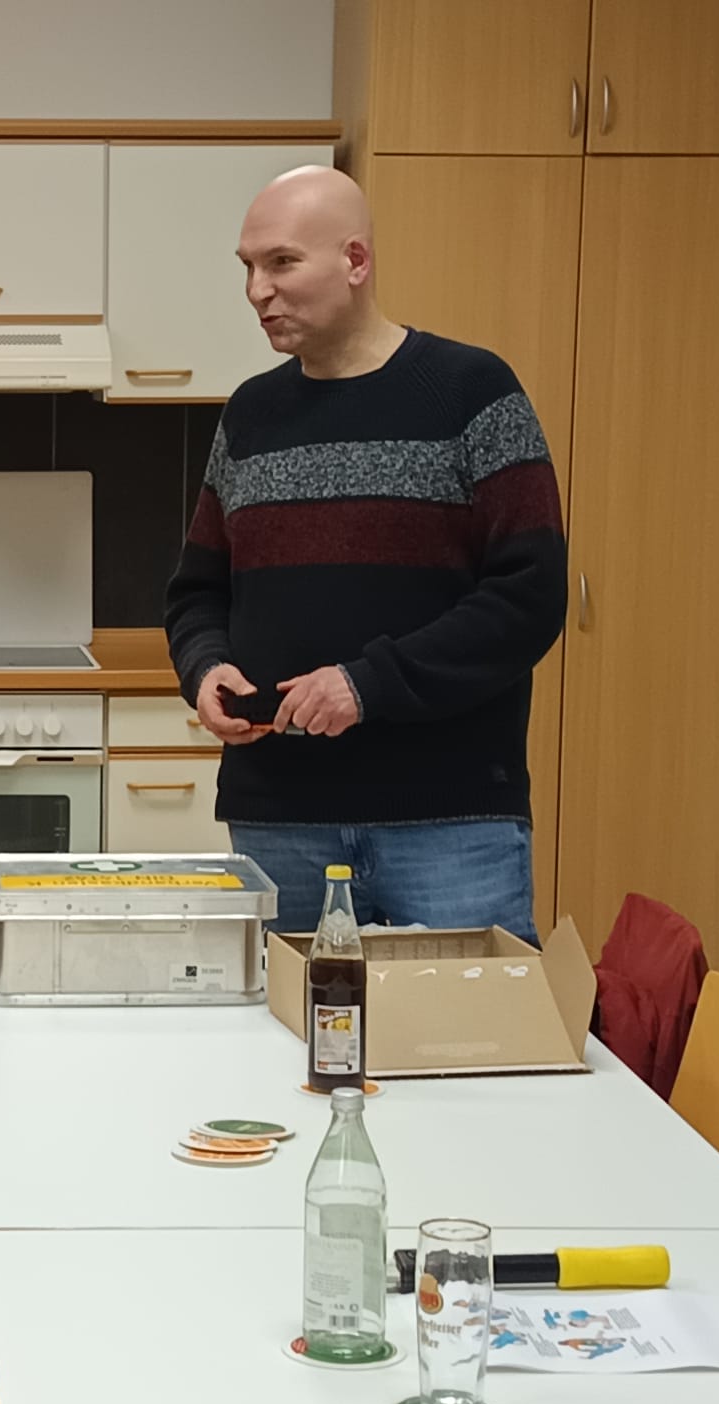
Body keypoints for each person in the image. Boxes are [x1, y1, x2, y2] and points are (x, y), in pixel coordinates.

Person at [166, 167, 565, 939]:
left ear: (355, 261)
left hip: (450, 821)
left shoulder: (473, 393)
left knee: (467, 1017)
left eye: (281, 263)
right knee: (283, 1020)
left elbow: (530, 594)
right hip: (279, 818)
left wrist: (366, 685)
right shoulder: (250, 415)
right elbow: (198, 592)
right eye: (248, 267)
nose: (257, 290)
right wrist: (205, 668)